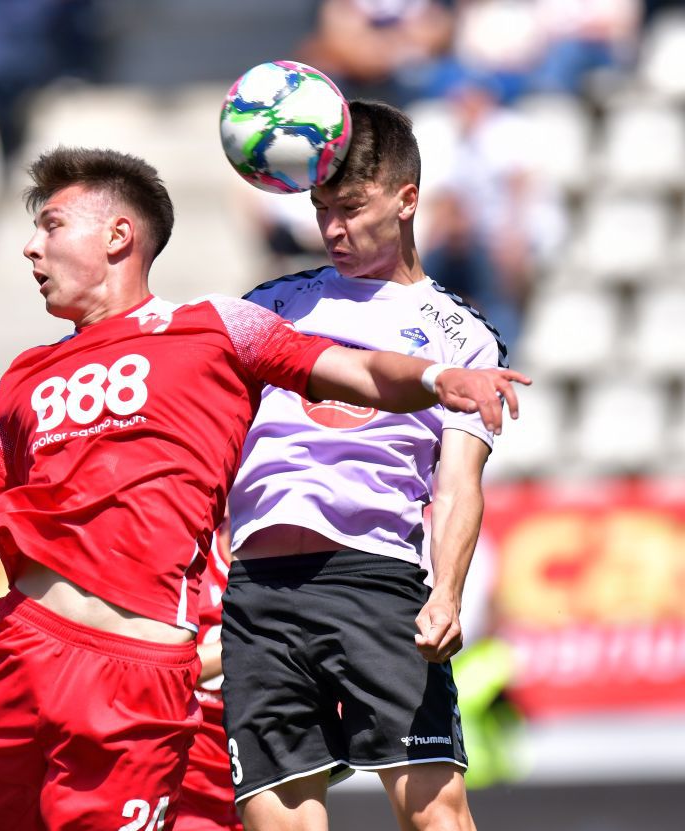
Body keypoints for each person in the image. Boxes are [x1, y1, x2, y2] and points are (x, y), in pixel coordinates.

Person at [0, 146, 527, 831]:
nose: (31, 247)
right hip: (18, 648)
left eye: (52, 225)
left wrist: (437, 379)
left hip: (134, 676)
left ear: (117, 236)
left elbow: (358, 371)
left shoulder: (220, 327)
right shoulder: (17, 382)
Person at [223, 100, 506, 831]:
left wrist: (446, 590)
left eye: (351, 207)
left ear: (407, 200)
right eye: (322, 209)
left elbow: (456, 484)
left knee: (436, 815)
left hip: (373, 578)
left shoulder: (462, 336)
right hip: (258, 592)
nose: (333, 229)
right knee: (278, 819)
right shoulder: (270, 306)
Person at [177, 521, 241, 831]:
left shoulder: (297, 573)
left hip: (261, 770)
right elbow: (169, 667)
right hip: (189, 774)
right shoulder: (192, 555)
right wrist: (255, 640)